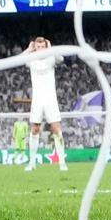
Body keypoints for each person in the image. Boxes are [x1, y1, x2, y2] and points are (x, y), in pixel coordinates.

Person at [24, 37, 67, 172]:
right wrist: (29, 49)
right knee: (35, 129)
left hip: (50, 99)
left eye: (43, 46)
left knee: (56, 128)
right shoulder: (31, 60)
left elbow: (61, 59)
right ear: (35, 47)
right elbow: (19, 59)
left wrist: (51, 48)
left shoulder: (51, 58)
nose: (40, 49)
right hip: (37, 99)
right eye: (38, 47)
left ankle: (62, 163)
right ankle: (32, 163)